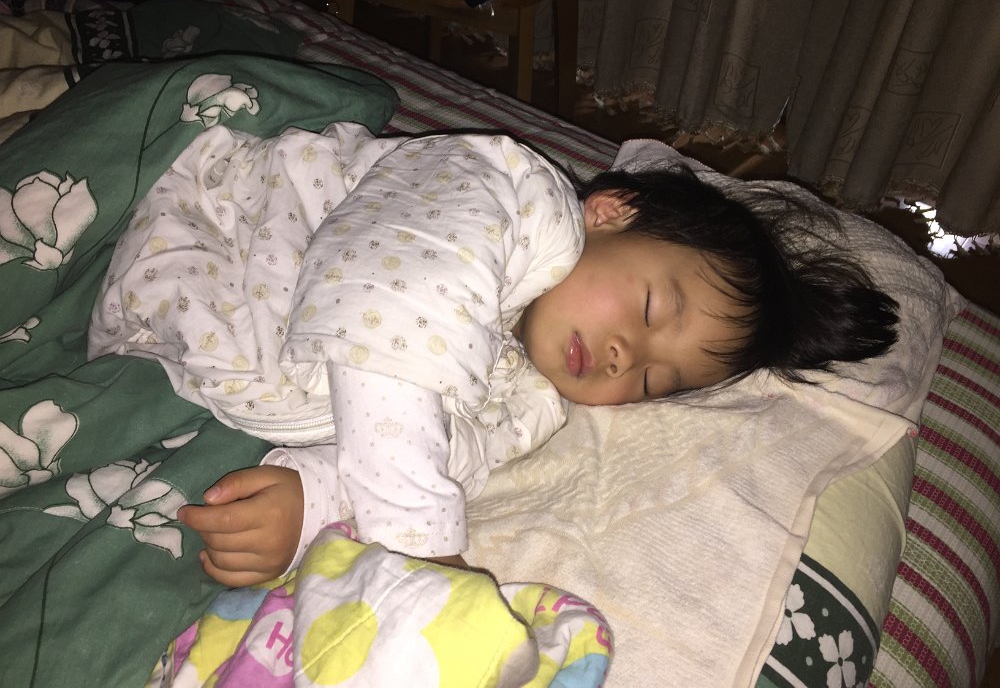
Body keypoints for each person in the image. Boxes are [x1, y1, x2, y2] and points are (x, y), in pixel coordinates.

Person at [89, 124, 897, 587]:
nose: (625, 357)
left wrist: (309, 499)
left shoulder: (530, 403)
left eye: (655, 380)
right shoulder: (505, 193)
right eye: (652, 309)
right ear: (611, 212)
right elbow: (393, 312)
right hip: (179, 217)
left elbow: (442, 453)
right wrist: (421, 547)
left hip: (153, 340)